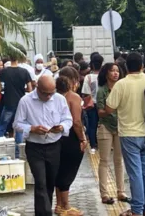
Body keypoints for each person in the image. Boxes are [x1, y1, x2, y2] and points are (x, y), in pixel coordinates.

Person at [105, 52, 145, 216]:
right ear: (143, 66)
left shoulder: (121, 84)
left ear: (126, 67)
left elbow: (109, 108)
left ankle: (136, 209)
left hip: (128, 134)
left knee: (135, 173)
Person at [13, 75, 73, 216]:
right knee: (40, 182)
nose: (48, 97)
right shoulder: (26, 101)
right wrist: (32, 129)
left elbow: (68, 119)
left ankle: (45, 210)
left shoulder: (59, 99)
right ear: (37, 88)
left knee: (50, 182)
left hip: (54, 145)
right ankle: (44, 213)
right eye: (44, 93)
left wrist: (61, 127)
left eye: (51, 93)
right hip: (35, 147)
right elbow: (17, 124)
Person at [54, 67, 87, 216]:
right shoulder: (74, 97)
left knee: (59, 171)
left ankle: (59, 204)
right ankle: (66, 206)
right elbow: (77, 122)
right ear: (74, 81)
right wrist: (83, 138)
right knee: (68, 172)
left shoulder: (53, 95)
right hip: (71, 138)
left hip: (56, 137)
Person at [96, 63, 128, 205]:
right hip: (105, 126)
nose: (115, 73)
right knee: (104, 160)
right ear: (106, 73)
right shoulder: (102, 91)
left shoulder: (123, 88)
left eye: (117, 71)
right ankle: (104, 194)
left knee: (119, 160)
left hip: (121, 127)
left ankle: (121, 192)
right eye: (112, 71)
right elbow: (100, 112)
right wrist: (108, 111)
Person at [0, 55, 32, 151]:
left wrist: (5, 89)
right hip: (21, 103)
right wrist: (22, 89)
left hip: (8, 102)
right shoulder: (24, 72)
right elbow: (30, 88)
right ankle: (17, 152)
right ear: (18, 59)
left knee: (2, 127)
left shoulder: (4, 71)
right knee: (19, 128)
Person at [82, 54, 104, 154]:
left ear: (92, 64)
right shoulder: (105, 76)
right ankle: (105, 143)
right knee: (104, 124)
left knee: (92, 125)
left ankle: (93, 145)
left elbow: (85, 92)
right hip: (104, 104)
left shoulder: (88, 77)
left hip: (92, 104)